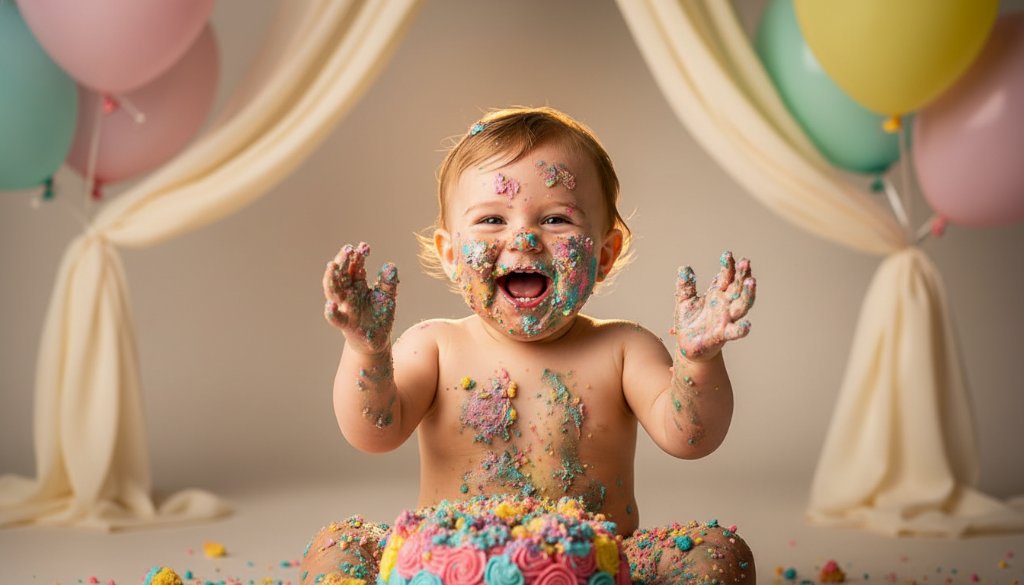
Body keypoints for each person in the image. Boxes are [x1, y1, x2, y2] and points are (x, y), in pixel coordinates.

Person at [304, 107, 757, 585]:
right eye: (492, 219)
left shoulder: (624, 349)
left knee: (719, 550)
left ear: (605, 253)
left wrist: (697, 361)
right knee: (338, 545)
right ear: (451, 254)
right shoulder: (434, 346)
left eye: (556, 219)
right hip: (446, 566)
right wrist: (367, 352)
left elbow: (691, 438)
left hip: (593, 565)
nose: (524, 238)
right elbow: (372, 433)